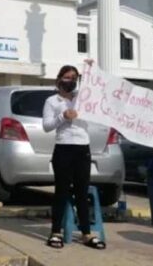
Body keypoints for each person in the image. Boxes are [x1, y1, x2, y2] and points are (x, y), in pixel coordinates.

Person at [42, 65, 106, 250]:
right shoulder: (52, 101)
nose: (71, 81)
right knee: (61, 191)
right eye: (67, 77)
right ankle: (55, 232)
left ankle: (86, 233)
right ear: (60, 79)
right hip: (63, 148)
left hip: (82, 148)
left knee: (82, 191)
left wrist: (91, 71)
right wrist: (63, 115)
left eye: (74, 78)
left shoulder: (83, 99)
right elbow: (47, 126)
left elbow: (98, 93)